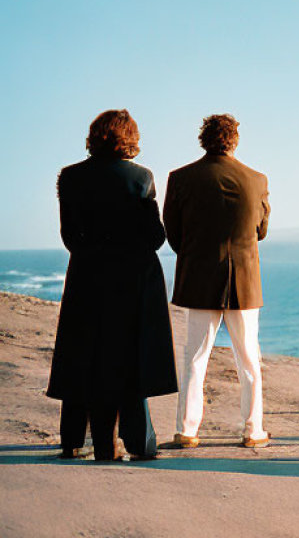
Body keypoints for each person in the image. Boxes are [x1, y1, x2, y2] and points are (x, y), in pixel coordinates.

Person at [46, 109, 177, 461]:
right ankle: (137, 442)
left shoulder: (70, 177)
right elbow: (154, 236)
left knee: (82, 356)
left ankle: (73, 439)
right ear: (130, 138)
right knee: (129, 360)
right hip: (131, 279)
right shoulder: (140, 177)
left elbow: (69, 236)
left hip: (87, 277)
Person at [164, 114, 271, 448]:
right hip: (244, 279)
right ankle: (253, 431)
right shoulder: (256, 179)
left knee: (195, 357)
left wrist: (196, 254)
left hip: (199, 277)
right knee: (249, 359)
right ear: (234, 140)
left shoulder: (181, 178)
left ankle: (187, 430)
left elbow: (173, 232)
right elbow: (261, 230)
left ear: (203, 139)